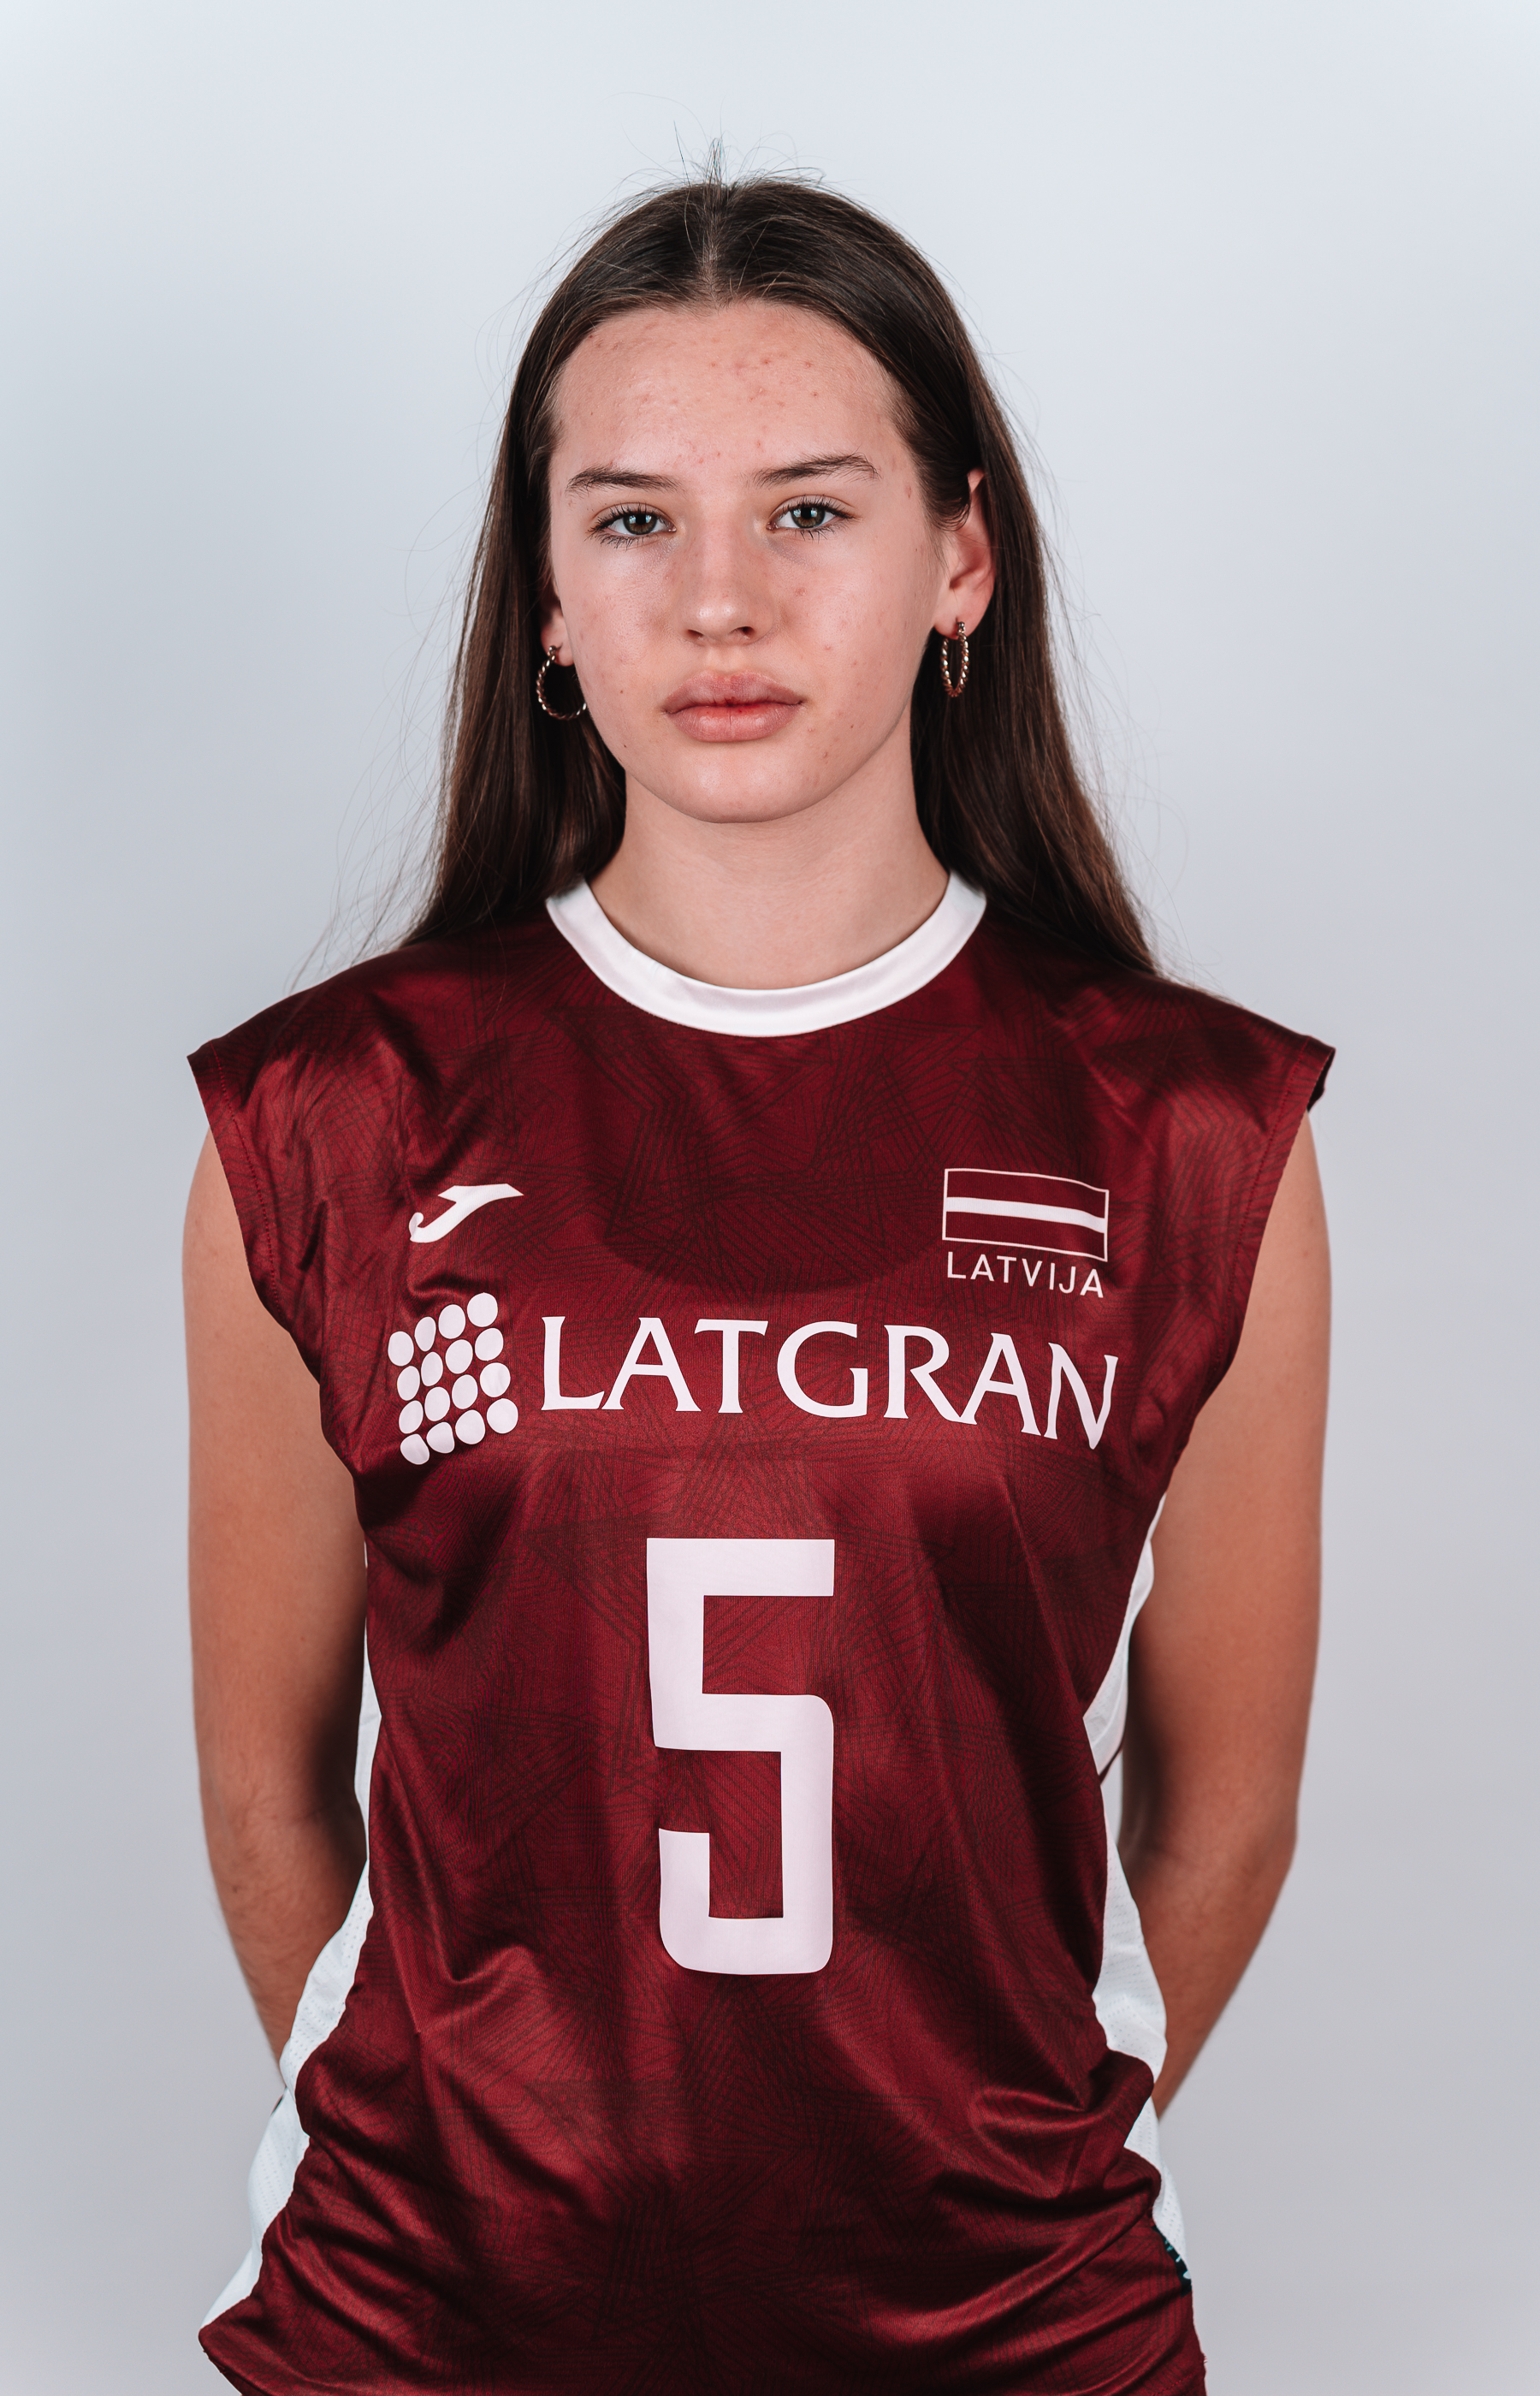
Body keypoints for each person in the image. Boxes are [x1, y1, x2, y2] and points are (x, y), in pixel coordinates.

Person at [185, 170, 1330, 2395]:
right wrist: (471, 2174)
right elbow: (266, 1786)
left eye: (810, 511)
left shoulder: (1191, 1133)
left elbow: (1226, 1809)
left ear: (960, 559)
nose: (720, 598)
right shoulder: (330, 1117)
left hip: (1011, 2328)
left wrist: (993, 2163)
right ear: (545, 592)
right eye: (633, 520)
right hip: (427, 2326)